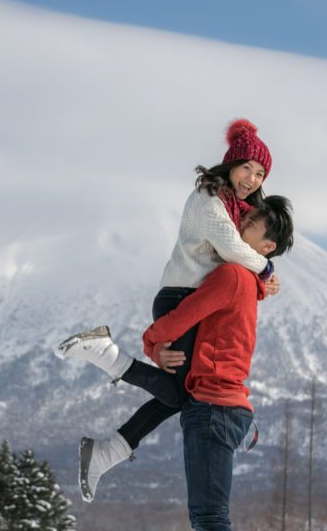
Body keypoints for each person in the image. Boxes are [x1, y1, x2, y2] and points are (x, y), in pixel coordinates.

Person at [57, 118, 279, 501]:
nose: (253, 178)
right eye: (248, 167)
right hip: (181, 298)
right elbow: (230, 251)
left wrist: (260, 280)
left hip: (194, 300)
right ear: (230, 163)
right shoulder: (208, 201)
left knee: (180, 393)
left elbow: (236, 268)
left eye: (261, 173)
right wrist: (266, 269)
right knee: (184, 394)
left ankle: (108, 449)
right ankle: (105, 356)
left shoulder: (233, 207)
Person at [61, 196, 295, 531]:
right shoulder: (248, 281)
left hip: (215, 408)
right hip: (216, 404)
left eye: (251, 225)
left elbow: (186, 315)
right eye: (244, 217)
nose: (240, 226)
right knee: (207, 515)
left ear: (266, 248)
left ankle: (107, 357)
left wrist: (151, 341)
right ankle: (107, 439)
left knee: (211, 518)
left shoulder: (234, 275)